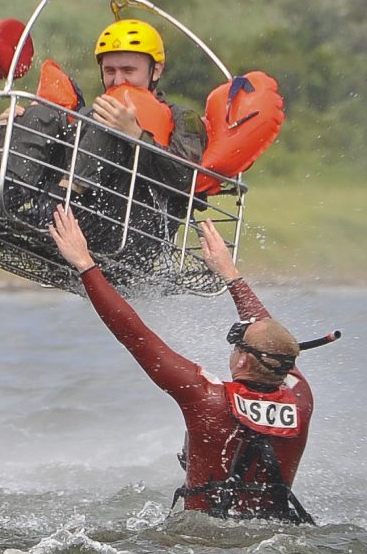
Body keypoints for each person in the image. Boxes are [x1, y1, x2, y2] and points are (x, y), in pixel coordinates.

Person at [48, 205, 320, 524]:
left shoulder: (207, 398)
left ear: (243, 358)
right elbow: (273, 340)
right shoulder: (300, 401)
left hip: (202, 537)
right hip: (277, 530)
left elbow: (135, 335)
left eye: (237, 340)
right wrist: (230, 275)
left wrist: (85, 264)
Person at [0, 19, 207, 263]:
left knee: (105, 123)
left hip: (130, 234)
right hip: (79, 218)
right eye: (110, 71)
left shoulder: (183, 118)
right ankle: (5, 207)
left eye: (128, 71)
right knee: (41, 113)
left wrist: (135, 136)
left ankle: (55, 213)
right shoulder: (88, 116)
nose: (118, 80)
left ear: (155, 71)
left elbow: (184, 178)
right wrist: (16, 127)